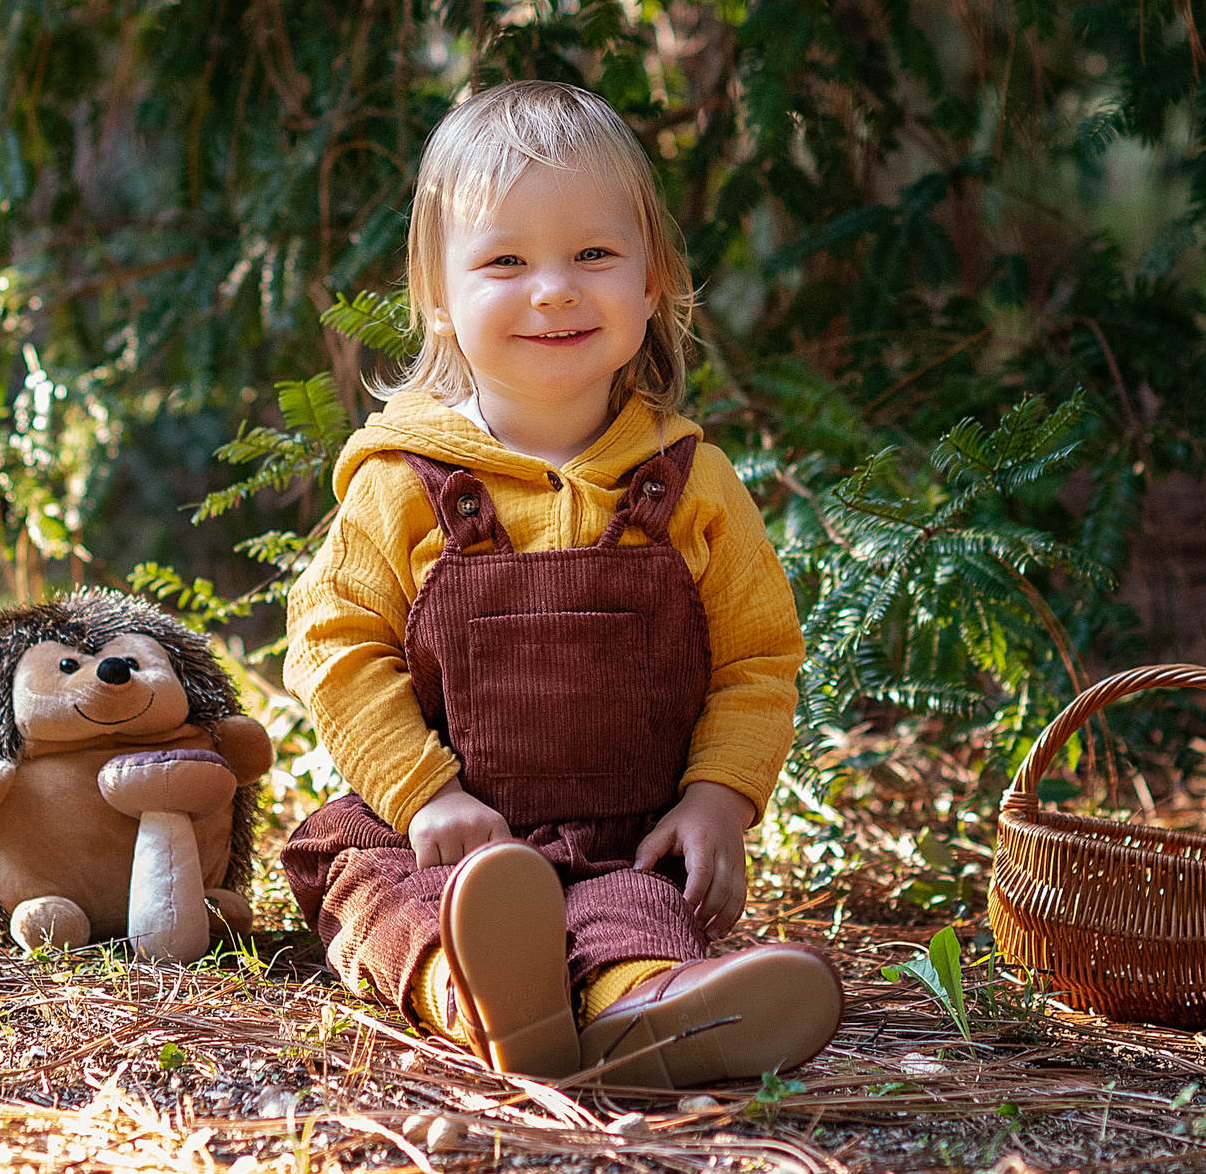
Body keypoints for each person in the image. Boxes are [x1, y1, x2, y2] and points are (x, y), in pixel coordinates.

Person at [280, 80, 842, 1085]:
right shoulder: (400, 484)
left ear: (653, 280)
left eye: (593, 254)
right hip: (436, 838)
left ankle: (648, 1016)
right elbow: (332, 649)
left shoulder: (690, 486)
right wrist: (423, 793)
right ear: (438, 299)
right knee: (379, 892)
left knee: (635, 915)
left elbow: (757, 659)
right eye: (504, 260)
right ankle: (481, 993)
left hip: (622, 839)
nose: (553, 289)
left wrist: (718, 799)